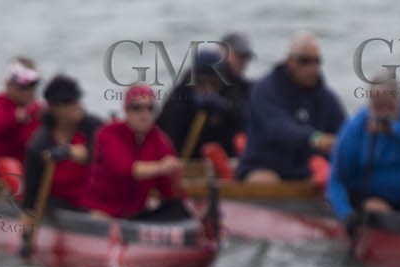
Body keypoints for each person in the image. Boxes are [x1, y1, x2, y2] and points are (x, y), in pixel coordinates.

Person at [238, 33, 345, 181]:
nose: (311, 67)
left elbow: (344, 130)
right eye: (304, 61)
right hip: (264, 165)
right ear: (289, 61)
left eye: (316, 62)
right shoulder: (265, 90)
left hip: (305, 170)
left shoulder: (325, 97)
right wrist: (316, 139)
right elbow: (279, 128)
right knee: (267, 180)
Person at [325, 74, 400, 220]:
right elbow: (336, 180)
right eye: (379, 105)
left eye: (389, 104)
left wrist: (389, 128)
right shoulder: (356, 127)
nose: (384, 112)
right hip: (368, 200)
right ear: (370, 103)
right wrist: (346, 215)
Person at [84, 84, 188, 221]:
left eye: (150, 108)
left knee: (177, 211)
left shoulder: (160, 140)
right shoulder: (107, 134)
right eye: (137, 108)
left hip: (134, 214)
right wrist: (162, 167)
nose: (144, 114)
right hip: (102, 211)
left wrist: (175, 178)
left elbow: (168, 191)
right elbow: (125, 170)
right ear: (126, 111)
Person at [22, 74, 102, 211]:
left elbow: (101, 157)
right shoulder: (40, 144)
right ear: (55, 108)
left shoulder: (94, 128)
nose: (78, 106)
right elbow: (31, 191)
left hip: (94, 201)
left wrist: (68, 151)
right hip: (57, 205)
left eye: (78, 100)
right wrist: (28, 214)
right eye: (71, 102)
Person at [157, 47, 240, 160]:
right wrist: (190, 112)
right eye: (201, 82)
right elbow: (166, 132)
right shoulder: (180, 97)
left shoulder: (231, 92)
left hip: (223, 162)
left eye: (214, 83)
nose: (208, 89)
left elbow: (243, 118)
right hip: (185, 160)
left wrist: (226, 112)